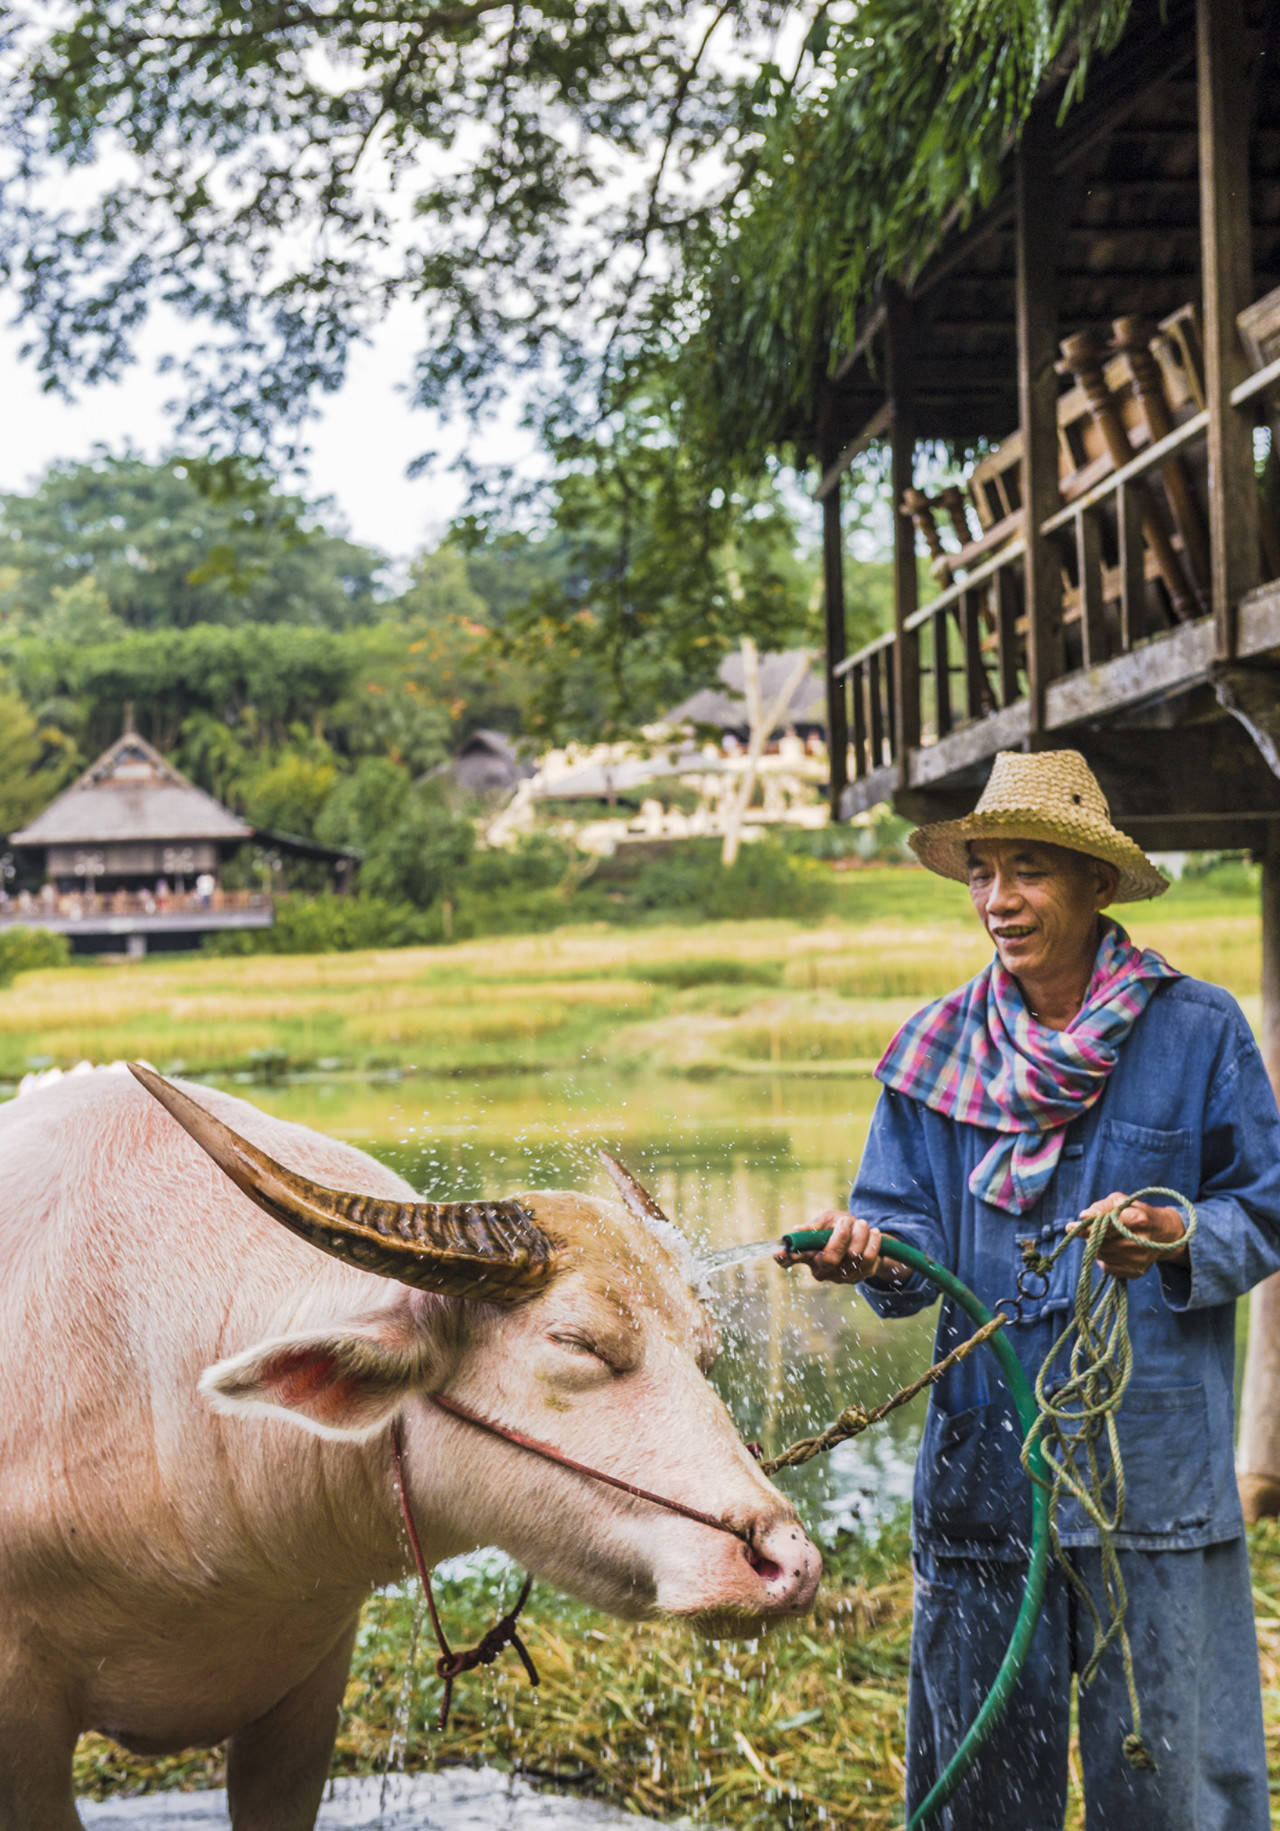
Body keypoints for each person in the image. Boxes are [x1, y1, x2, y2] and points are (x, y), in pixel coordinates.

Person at [786, 750, 1280, 1830]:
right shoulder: (930, 1051)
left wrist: (1174, 1232)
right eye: (980, 873)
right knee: (978, 1793)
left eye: (1027, 871)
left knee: (1169, 1789)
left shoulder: (1196, 1032)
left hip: (1148, 1481)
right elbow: (904, 1229)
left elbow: (1264, 1206)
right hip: (982, 1482)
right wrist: (868, 1252)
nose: (997, 900)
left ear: (1096, 885)